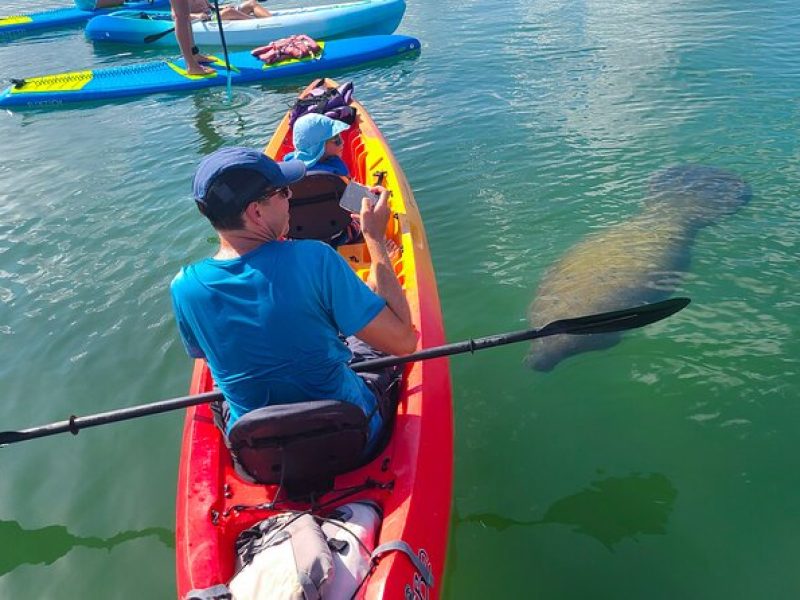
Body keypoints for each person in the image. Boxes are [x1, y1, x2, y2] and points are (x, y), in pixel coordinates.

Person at [170, 147, 416, 453]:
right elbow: (405, 343)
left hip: (258, 452)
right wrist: (374, 238)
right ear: (255, 212)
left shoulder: (184, 287)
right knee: (365, 345)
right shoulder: (316, 258)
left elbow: (218, 357)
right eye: (283, 192)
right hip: (353, 435)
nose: (291, 199)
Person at [283, 113, 350, 176]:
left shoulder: (290, 169)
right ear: (319, 147)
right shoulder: (335, 174)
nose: (342, 142)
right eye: (336, 138)